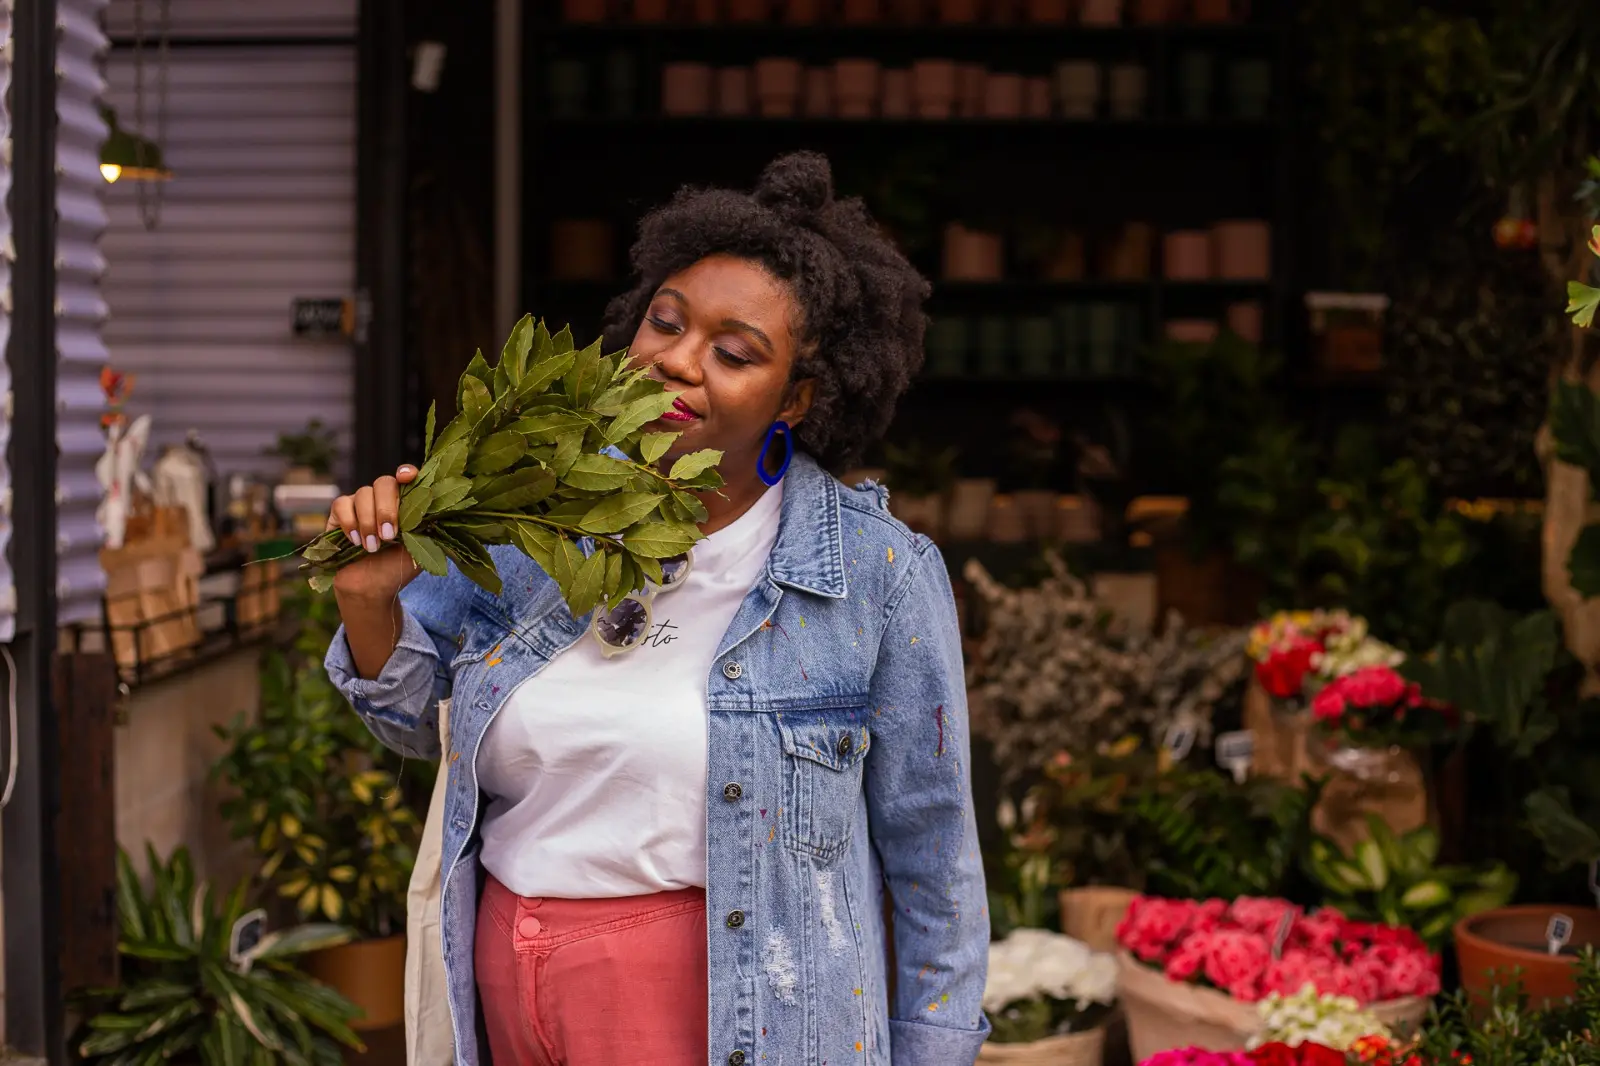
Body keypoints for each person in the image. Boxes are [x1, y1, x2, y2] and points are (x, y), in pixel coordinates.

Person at [324, 151, 990, 1066]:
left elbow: (934, 865)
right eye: (665, 322)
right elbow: (411, 724)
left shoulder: (876, 578)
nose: (677, 360)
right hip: (502, 994)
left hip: (718, 1010)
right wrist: (367, 598)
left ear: (798, 398)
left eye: (734, 352)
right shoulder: (529, 523)